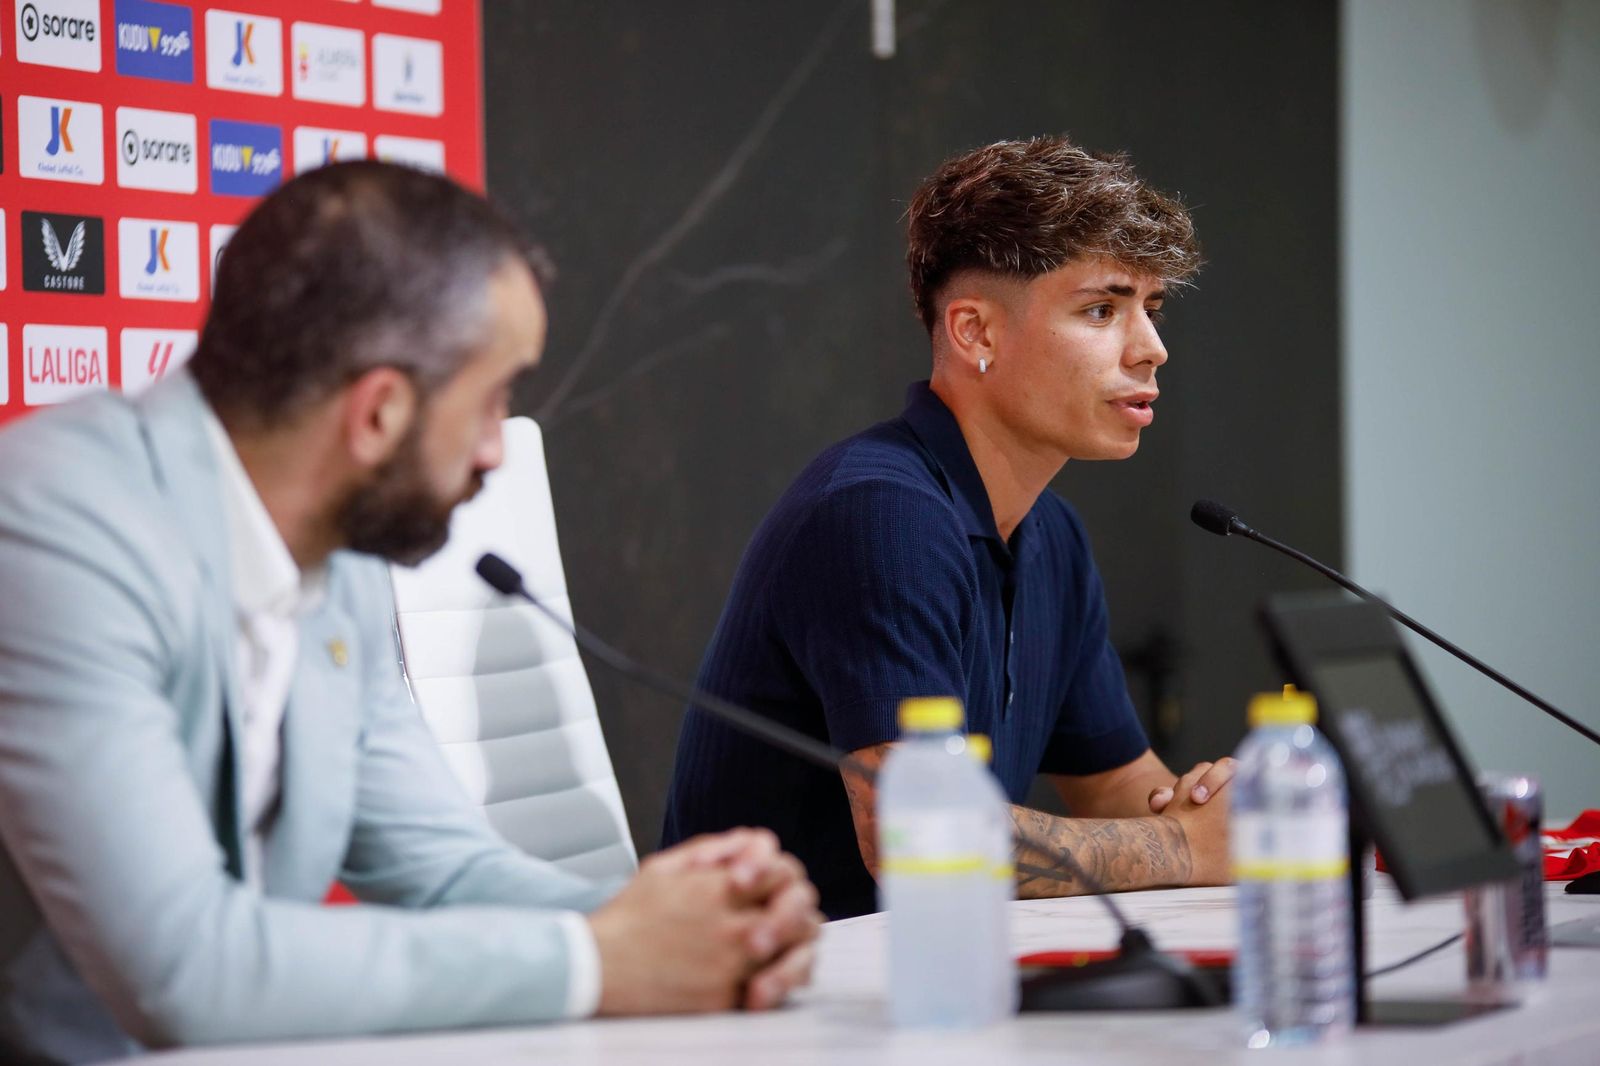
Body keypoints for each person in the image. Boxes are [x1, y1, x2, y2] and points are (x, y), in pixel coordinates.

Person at [0, 162, 819, 1065]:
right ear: (380, 414)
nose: (497, 452)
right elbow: (184, 971)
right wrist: (597, 960)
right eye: (495, 399)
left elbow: (446, 870)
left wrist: (697, 925)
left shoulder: (338, 557)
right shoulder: (53, 527)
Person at [661, 136, 1237, 919]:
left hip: (923, 976)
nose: (1152, 349)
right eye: (1102, 309)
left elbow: (1110, 781)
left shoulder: (1051, 536)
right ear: (976, 334)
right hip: (780, 1001)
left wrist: (1223, 812)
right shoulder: (876, 516)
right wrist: (1187, 848)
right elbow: (918, 843)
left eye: (1152, 310)